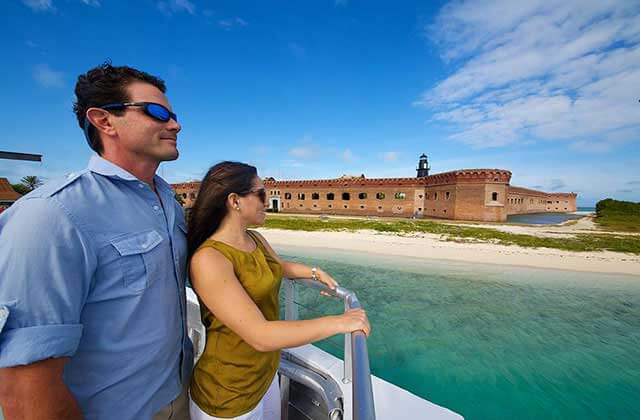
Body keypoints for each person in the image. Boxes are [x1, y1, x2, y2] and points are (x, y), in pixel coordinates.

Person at [0, 63, 193, 420]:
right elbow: (25, 387)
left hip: (176, 394)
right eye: (157, 112)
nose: (175, 124)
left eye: (174, 115)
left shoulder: (167, 201)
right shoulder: (53, 214)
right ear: (104, 121)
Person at [187, 161, 371, 420]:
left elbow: (276, 266)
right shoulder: (209, 259)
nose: (268, 199)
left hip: (264, 378)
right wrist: (340, 322)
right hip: (228, 396)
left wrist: (315, 273)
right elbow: (260, 335)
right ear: (234, 201)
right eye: (261, 194)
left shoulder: (255, 239)